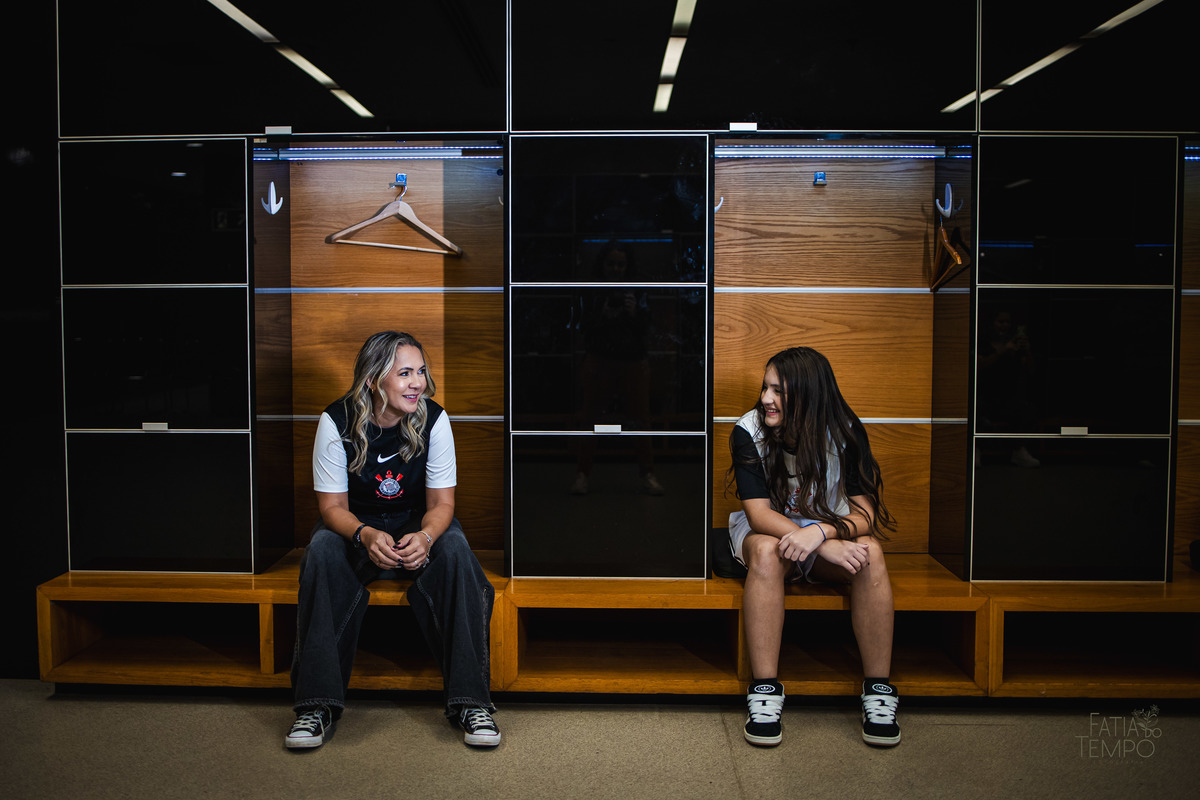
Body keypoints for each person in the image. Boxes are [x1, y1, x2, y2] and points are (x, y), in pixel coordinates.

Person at [285, 331, 500, 749]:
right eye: (404, 373)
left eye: (420, 371)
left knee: (456, 549)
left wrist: (425, 535)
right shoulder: (335, 420)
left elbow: (442, 504)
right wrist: (364, 535)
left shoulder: (434, 420)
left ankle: (472, 702)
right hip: (356, 524)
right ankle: (316, 705)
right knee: (321, 551)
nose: (417, 382)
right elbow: (331, 509)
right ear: (373, 380)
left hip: (416, 521)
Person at [725, 347, 900, 747]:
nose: (767, 399)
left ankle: (878, 691)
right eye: (765, 388)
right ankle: (765, 691)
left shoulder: (846, 431)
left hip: (827, 530)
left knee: (871, 552)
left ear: (809, 395)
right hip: (769, 533)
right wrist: (821, 545)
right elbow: (758, 515)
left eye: (779, 391)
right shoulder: (748, 430)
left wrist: (820, 535)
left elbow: (866, 516)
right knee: (769, 552)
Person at [570, 241, 664, 496]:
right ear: (603, 264)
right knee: (590, 419)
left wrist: (633, 312)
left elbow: (650, 328)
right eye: (611, 263)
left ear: (627, 265)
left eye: (620, 264)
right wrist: (603, 315)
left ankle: (648, 474)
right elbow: (581, 325)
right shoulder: (592, 289)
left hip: (632, 361)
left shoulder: (637, 288)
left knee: (641, 421)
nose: (615, 269)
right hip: (599, 359)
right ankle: (582, 475)